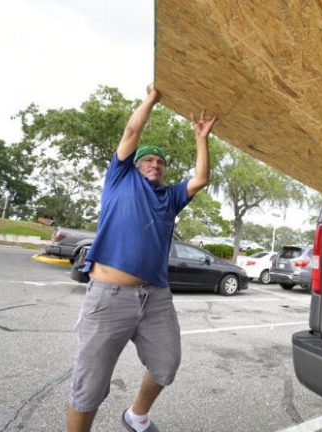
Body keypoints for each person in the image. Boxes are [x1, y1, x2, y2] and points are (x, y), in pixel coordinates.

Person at [66, 84, 217, 432]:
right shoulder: (120, 179)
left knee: (166, 364)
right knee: (89, 386)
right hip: (109, 296)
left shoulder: (170, 197)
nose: (156, 164)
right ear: (134, 165)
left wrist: (201, 138)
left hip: (156, 298)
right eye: (148, 159)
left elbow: (202, 178)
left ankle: (136, 415)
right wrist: (152, 98)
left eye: (161, 162)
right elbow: (132, 131)